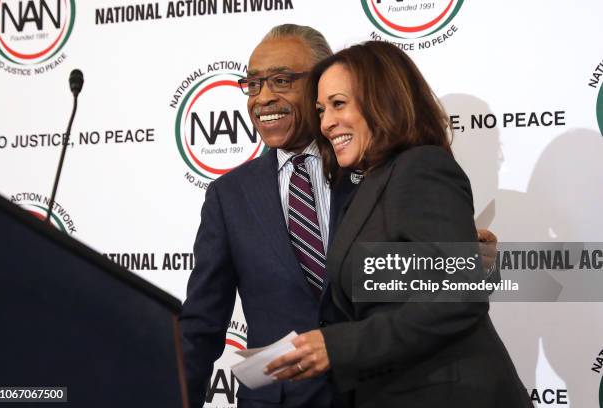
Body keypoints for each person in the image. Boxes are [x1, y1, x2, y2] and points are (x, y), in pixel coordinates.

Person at [180, 25, 498, 408]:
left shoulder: (381, 168)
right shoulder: (228, 196)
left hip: (380, 391)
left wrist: (470, 262)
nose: (263, 98)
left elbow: (448, 289)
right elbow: (201, 324)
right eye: (253, 84)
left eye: (281, 80)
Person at [266, 41, 532, 407]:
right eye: (321, 109)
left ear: (382, 101)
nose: (326, 123)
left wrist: (339, 345)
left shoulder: (420, 167)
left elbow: (461, 294)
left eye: (339, 104)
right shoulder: (370, 183)